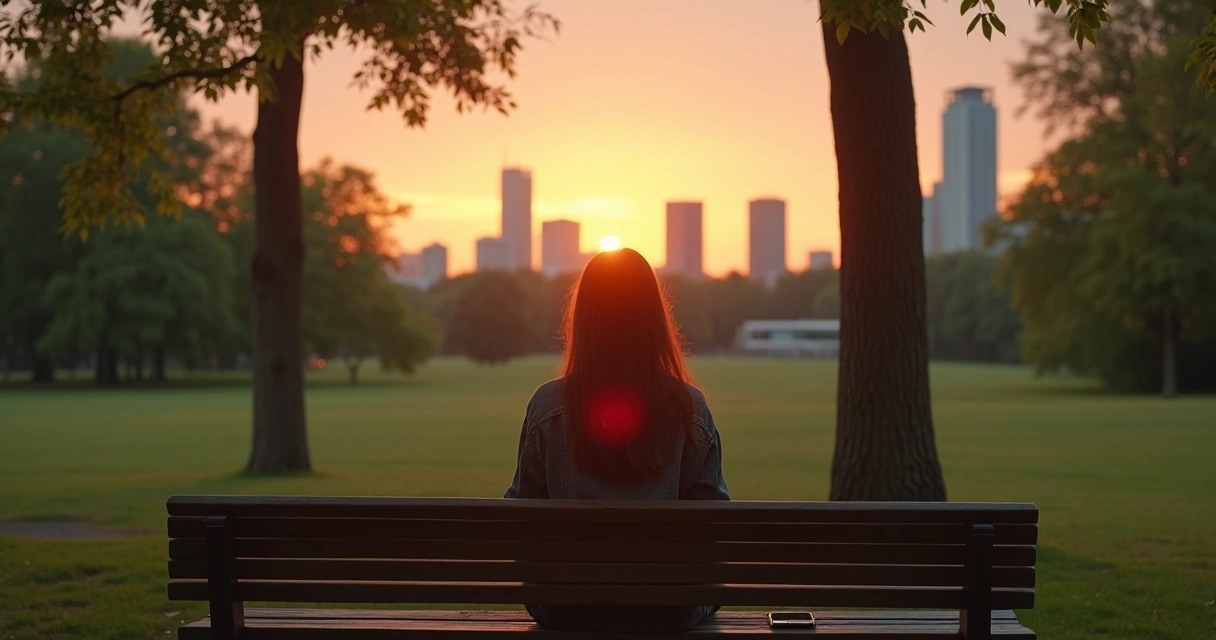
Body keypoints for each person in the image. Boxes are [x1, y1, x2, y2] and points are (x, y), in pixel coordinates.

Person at [504, 247, 730, 633]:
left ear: (584, 319)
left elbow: (520, 519)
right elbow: (714, 526)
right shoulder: (689, 407)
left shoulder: (547, 406)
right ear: (654, 320)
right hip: (668, 610)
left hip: (566, 608)